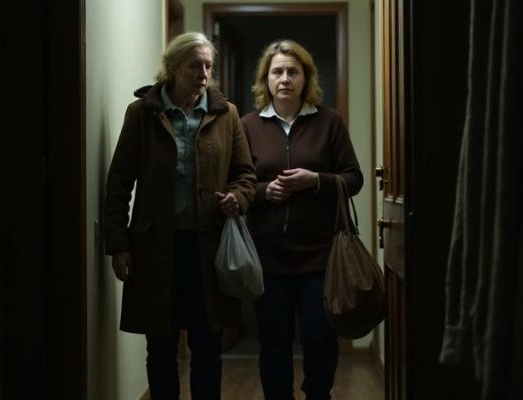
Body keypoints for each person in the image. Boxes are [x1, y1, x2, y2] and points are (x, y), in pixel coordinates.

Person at [103, 32, 256, 399]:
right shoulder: (142, 114)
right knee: (160, 346)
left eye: (208, 66)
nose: (203, 74)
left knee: (207, 346)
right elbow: (119, 183)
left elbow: (245, 175)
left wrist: (237, 197)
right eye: (194, 66)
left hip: (208, 248)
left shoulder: (226, 114)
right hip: (155, 248)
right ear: (172, 68)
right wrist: (119, 245)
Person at [241, 39, 364, 399]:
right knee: (274, 343)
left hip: (320, 258)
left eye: (293, 71)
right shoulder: (247, 125)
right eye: (277, 72)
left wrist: (316, 181)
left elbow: (354, 178)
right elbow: (236, 183)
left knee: (320, 339)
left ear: (305, 78)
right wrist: (264, 192)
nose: (285, 79)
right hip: (268, 258)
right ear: (266, 80)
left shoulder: (329, 122)